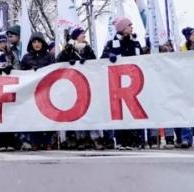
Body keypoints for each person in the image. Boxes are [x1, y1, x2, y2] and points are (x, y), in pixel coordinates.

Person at [56, 27, 102, 150]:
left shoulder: (87, 49)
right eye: (82, 34)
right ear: (76, 36)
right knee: (77, 111)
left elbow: (95, 63)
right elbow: (59, 61)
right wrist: (67, 51)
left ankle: (94, 137)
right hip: (73, 86)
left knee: (90, 110)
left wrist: (87, 62)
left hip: (87, 84)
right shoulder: (69, 49)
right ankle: (80, 137)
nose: (84, 36)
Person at [101, 17, 143, 149]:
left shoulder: (135, 43)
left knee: (135, 110)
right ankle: (121, 140)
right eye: (129, 25)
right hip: (119, 83)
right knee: (121, 111)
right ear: (122, 29)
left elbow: (142, 59)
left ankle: (136, 140)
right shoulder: (111, 43)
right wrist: (109, 55)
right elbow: (102, 58)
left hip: (134, 81)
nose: (132, 27)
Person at [20, 31, 55, 150]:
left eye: (39, 41)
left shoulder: (49, 56)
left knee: (48, 116)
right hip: (31, 93)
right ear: (31, 44)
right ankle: (35, 141)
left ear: (43, 43)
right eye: (34, 42)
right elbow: (20, 73)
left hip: (46, 91)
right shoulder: (26, 58)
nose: (37, 44)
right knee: (34, 116)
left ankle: (48, 141)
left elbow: (54, 71)